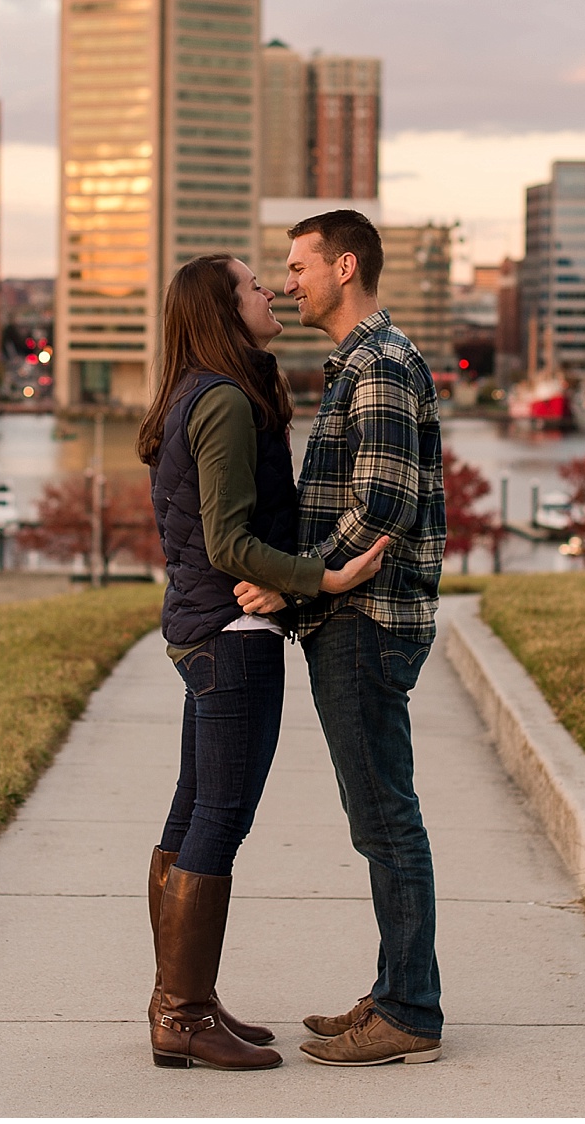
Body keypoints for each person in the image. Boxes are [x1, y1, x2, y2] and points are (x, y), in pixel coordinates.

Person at [138, 253, 391, 1072]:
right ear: (222, 309)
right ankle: (180, 1014)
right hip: (232, 636)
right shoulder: (219, 400)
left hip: (207, 630)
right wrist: (326, 576)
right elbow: (227, 542)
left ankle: (185, 1001)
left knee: (193, 814)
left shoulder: (199, 390)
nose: (272, 290)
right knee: (220, 819)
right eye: (254, 285)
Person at [237, 208, 448, 1067]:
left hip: (366, 619)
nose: (288, 281)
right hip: (349, 618)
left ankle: (409, 1013)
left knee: (386, 820)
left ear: (344, 265)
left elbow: (382, 506)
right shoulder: (356, 366)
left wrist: (301, 579)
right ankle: (396, 989)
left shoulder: (383, 367)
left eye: (298, 266)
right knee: (378, 818)